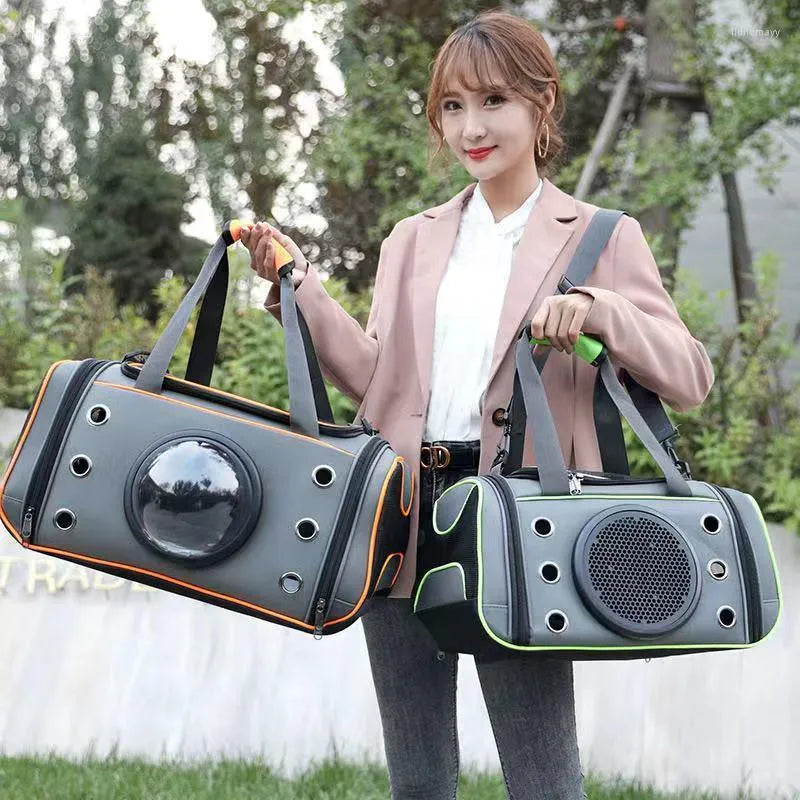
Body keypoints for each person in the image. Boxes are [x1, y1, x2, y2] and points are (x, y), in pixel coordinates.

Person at [241, 9, 714, 799]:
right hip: (401, 515)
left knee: (542, 778)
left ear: (541, 104)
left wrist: (601, 310)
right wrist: (298, 287)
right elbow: (378, 379)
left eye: (492, 101)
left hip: (518, 523)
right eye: (452, 108)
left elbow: (691, 376)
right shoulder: (411, 240)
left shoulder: (600, 235)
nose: (471, 127)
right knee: (417, 777)